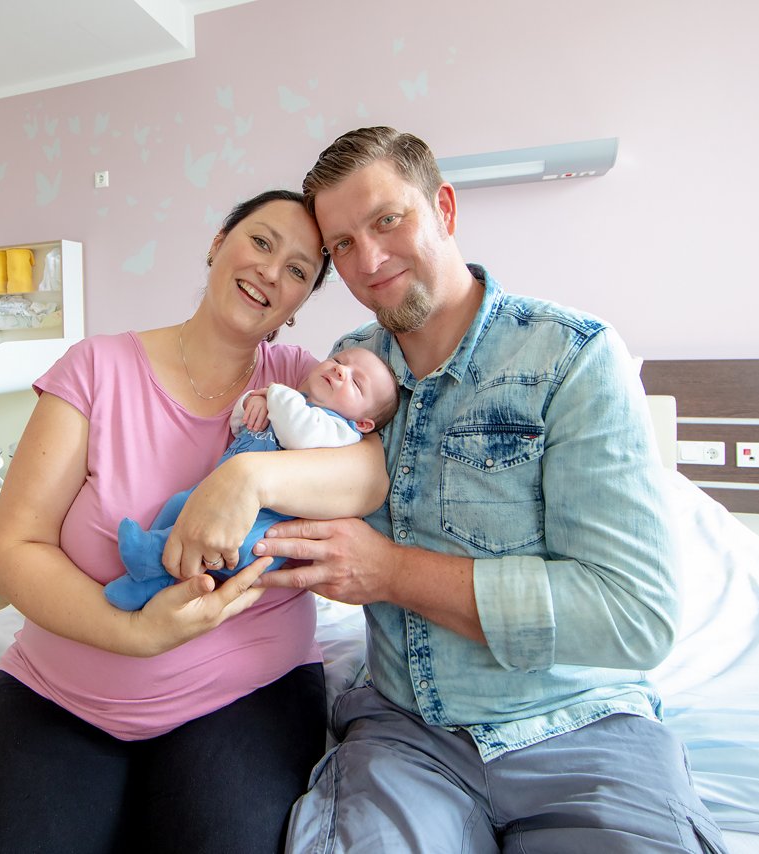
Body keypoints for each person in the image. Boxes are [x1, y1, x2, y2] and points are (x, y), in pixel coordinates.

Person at [250, 128, 729, 853]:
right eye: (342, 244)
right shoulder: (348, 373)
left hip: (579, 727)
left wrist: (387, 571)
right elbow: (285, 467)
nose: (369, 261)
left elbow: (637, 615)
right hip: (405, 733)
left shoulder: (571, 358)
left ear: (443, 207)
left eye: (387, 220)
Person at [0, 189, 389, 854]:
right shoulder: (97, 368)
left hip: (247, 692)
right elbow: (15, 544)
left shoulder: (303, 384)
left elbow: (370, 474)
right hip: (61, 691)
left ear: (301, 304)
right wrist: (133, 632)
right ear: (218, 242)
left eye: (300, 270)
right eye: (261, 242)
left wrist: (247, 476)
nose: (273, 272)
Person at [108, 347, 399, 610]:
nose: (340, 370)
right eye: (338, 360)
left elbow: (298, 431)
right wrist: (252, 403)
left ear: (364, 422)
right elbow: (239, 425)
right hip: (214, 495)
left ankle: (148, 554)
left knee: (231, 542)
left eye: (356, 383)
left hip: (260, 526)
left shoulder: (340, 431)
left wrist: (271, 393)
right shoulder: (290, 403)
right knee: (178, 505)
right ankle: (146, 583)